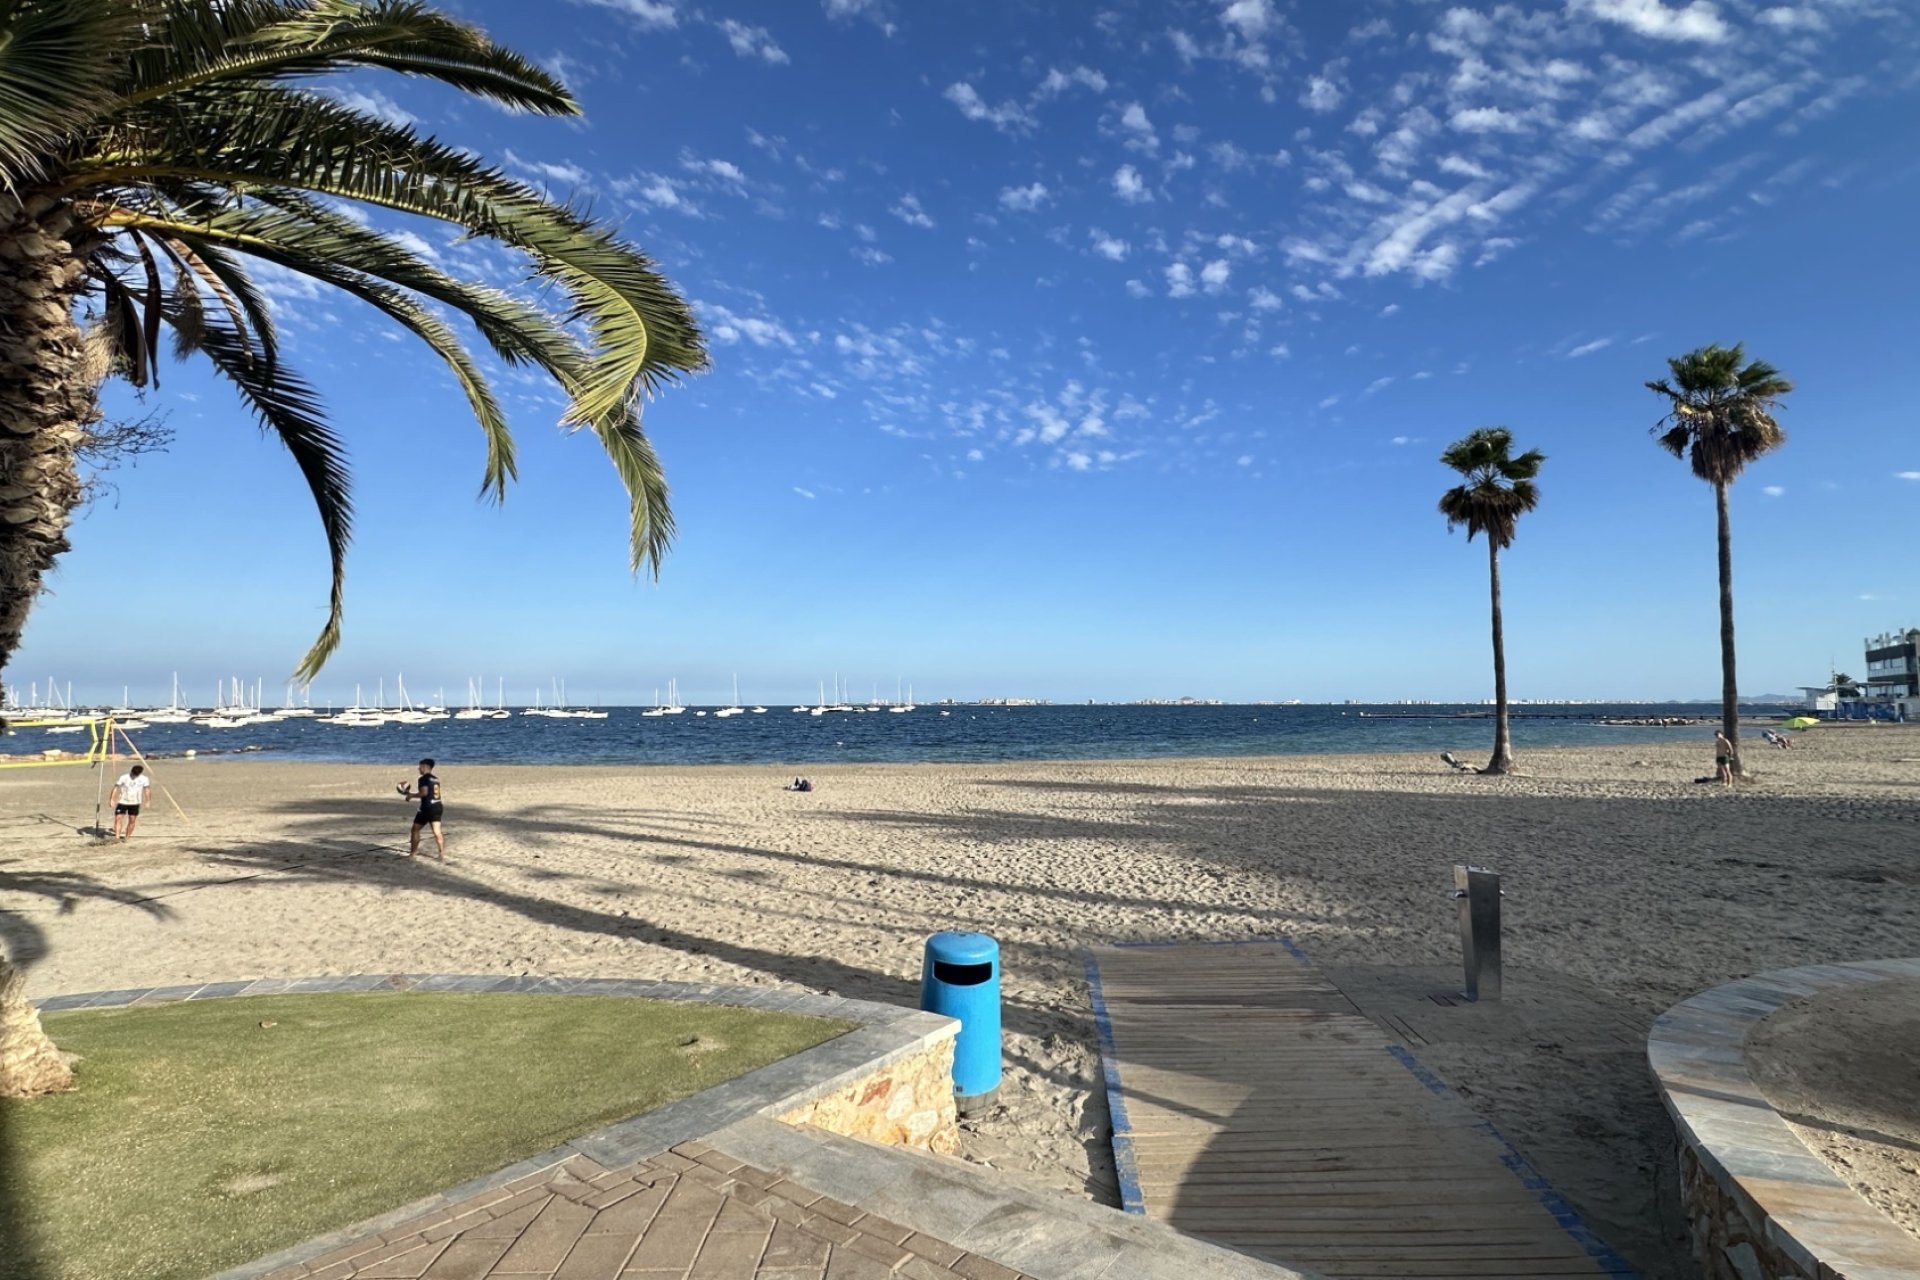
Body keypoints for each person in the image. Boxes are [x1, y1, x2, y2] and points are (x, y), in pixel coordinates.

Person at [398, 758, 446, 859]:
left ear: (425, 766)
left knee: (415, 829)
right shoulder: (436, 779)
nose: (419, 768)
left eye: (420, 767)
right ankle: (441, 854)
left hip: (427, 807)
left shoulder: (423, 779)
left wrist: (411, 795)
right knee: (437, 831)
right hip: (438, 806)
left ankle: (413, 854)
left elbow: (424, 793)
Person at [111, 764, 152, 840]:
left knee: (132, 819)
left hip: (135, 802)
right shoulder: (124, 777)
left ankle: (127, 837)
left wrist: (148, 801)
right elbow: (116, 787)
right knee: (118, 818)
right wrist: (112, 799)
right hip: (123, 801)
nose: (134, 776)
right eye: (133, 774)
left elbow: (147, 790)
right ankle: (117, 837)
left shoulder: (144, 779)